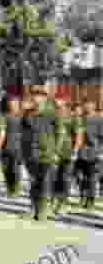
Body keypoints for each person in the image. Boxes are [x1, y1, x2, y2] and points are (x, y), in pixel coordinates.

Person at [22, 83, 61, 220]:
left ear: (45, 97)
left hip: (47, 152)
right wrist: (23, 152)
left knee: (45, 182)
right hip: (31, 153)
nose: (37, 98)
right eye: (34, 95)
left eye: (40, 95)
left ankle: (43, 210)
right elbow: (24, 133)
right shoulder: (27, 113)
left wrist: (56, 151)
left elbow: (59, 132)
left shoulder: (52, 113)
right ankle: (33, 208)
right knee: (33, 182)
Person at [53, 87, 84, 216]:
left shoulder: (72, 117)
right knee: (54, 178)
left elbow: (79, 135)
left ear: (65, 101)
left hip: (68, 153)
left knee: (65, 179)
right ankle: (54, 201)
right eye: (56, 99)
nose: (57, 102)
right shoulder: (52, 115)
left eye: (60, 100)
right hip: (53, 153)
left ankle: (63, 203)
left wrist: (75, 151)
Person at [80, 95, 103, 210]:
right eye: (86, 104)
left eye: (90, 104)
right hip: (81, 152)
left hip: (94, 152)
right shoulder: (81, 118)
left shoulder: (99, 119)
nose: (87, 106)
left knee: (92, 178)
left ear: (94, 106)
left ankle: (90, 200)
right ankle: (83, 196)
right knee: (81, 177)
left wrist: (101, 152)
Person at [1, 90, 24, 198]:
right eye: (11, 103)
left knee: (15, 169)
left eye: (15, 103)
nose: (13, 105)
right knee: (6, 169)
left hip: (18, 147)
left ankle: (16, 189)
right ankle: (10, 189)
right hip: (5, 146)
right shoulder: (4, 116)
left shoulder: (22, 116)